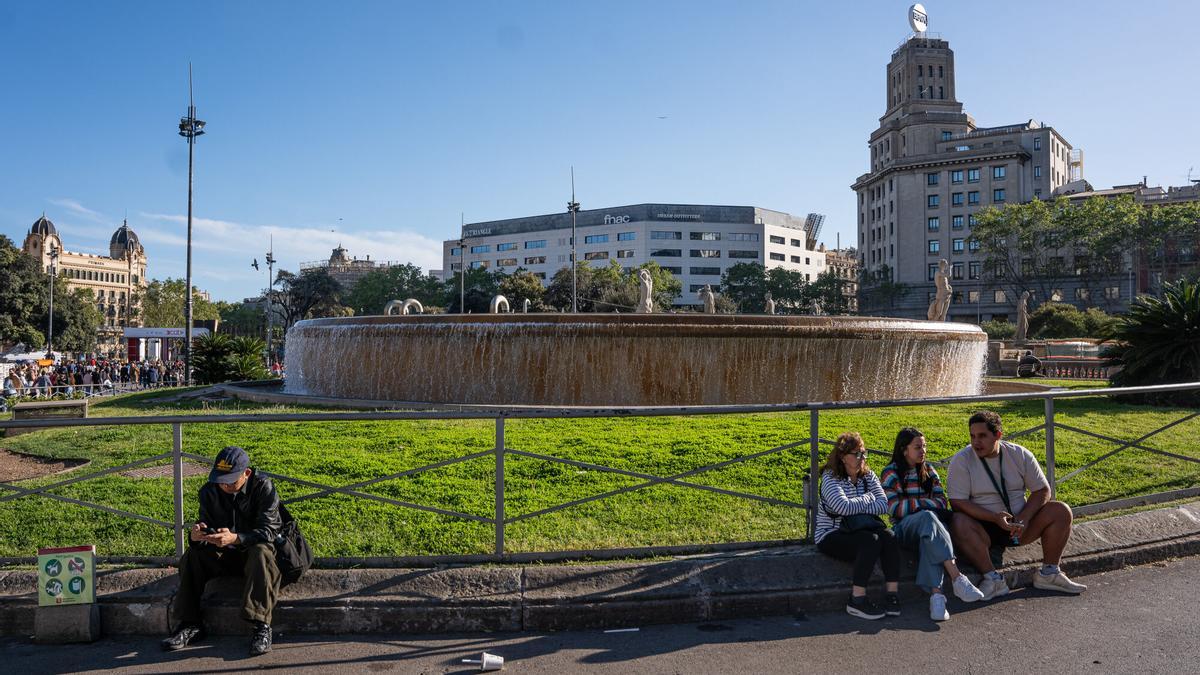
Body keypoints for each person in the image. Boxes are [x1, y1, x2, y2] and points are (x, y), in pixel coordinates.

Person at [947, 411, 1087, 599]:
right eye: (972, 436)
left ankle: (1049, 573)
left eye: (982, 436)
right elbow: (957, 502)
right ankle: (993, 579)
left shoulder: (1018, 454)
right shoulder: (962, 459)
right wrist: (994, 518)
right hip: (983, 527)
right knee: (958, 521)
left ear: (998, 435)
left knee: (1061, 510)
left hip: (1019, 525)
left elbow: (1042, 490)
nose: (976, 442)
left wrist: (1025, 517)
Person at [162, 446, 284, 656]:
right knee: (193, 556)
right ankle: (189, 624)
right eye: (221, 479)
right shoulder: (209, 490)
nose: (225, 485)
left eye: (231, 480)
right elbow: (205, 524)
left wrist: (236, 538)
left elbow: (270, 530)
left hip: (253, 555)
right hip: (223, 554)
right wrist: (198, 536)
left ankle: (261, 627)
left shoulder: (263, 487)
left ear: (246, 473)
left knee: (261, 552)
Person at [881, 428, 984, 621]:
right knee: (928, 517)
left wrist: (917, 506)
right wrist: (923, 507)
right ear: (904, 450)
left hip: (930, 531)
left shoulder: (928, 471)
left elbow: (942, 502)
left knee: (929, 535)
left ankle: (937, 598)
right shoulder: (891, 473)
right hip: (904, 529)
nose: (923, 451)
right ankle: (957, 577)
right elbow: (895, 508)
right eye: (918, 447)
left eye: (924, 446)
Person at [815, 431, 901, 620]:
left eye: (864, 453)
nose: (862, 458)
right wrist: (867, 498)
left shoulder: (867, 475)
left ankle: (892, 595)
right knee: (870, 541)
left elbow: (884, 504)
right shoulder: (831, 478)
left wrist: (858, 502)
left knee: (889, 536)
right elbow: (841, 507)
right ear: (843, 457)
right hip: (831, 533)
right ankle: (857, 600)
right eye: (857, 454)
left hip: (860, 528)